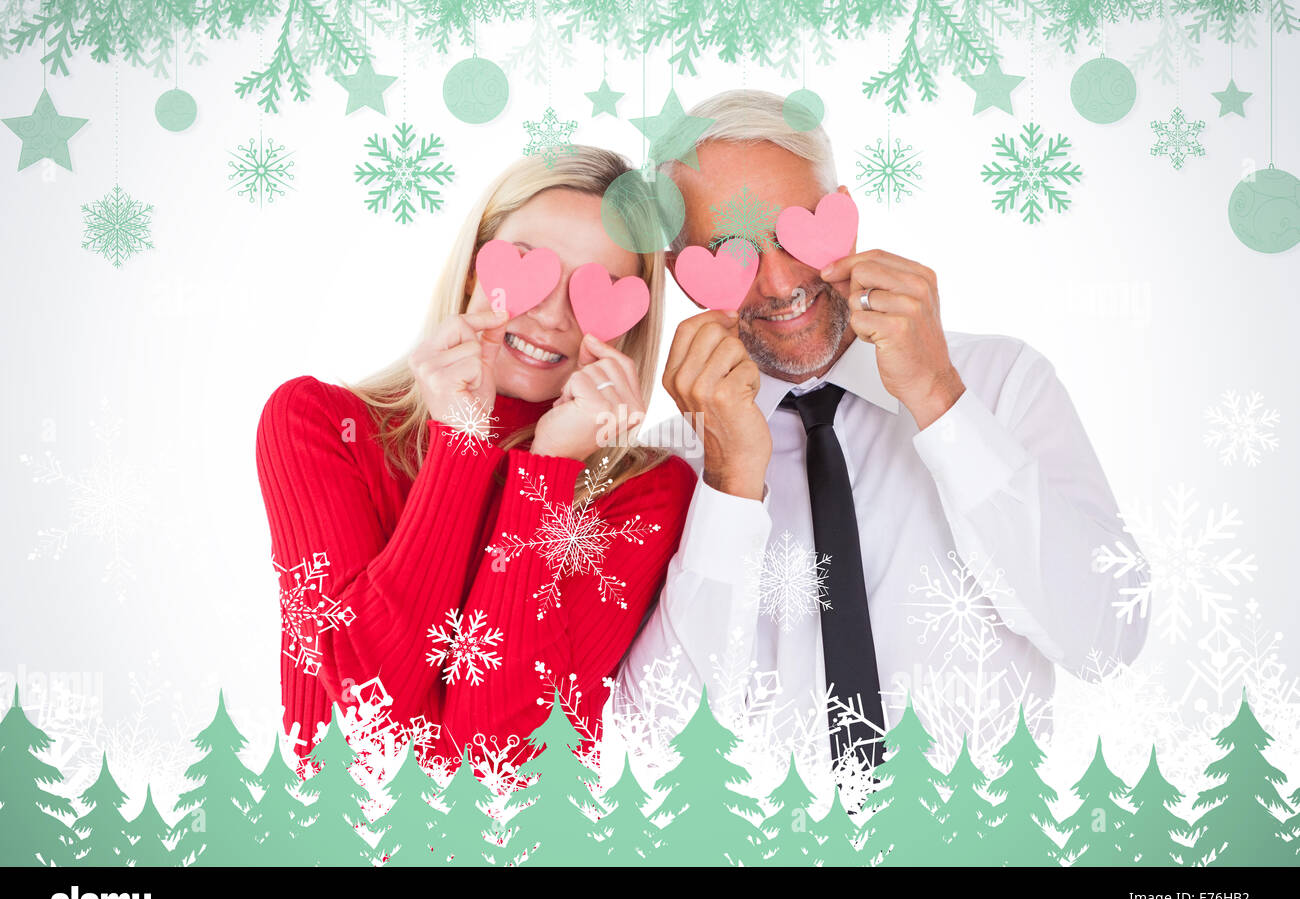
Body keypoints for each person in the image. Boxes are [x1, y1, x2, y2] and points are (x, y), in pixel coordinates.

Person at [617, 90, 1150, 787]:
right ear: (682, 271)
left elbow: (1108, 638)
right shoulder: (664, 469)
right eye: (728, 252)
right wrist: (729, 482)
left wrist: (940, 400)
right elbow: (644, 755)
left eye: (796, 228)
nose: (779, 285)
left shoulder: (1001, 383)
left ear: (845, 210)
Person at [256, 147, 696, 772]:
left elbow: (496, 763)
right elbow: (366, 714)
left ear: (626, 324)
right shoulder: (319, 425)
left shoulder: (646, 495)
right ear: (471, 270)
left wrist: (548, 470)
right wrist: (461, 439)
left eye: (593, 289)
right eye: (529, 269)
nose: (550, 315)